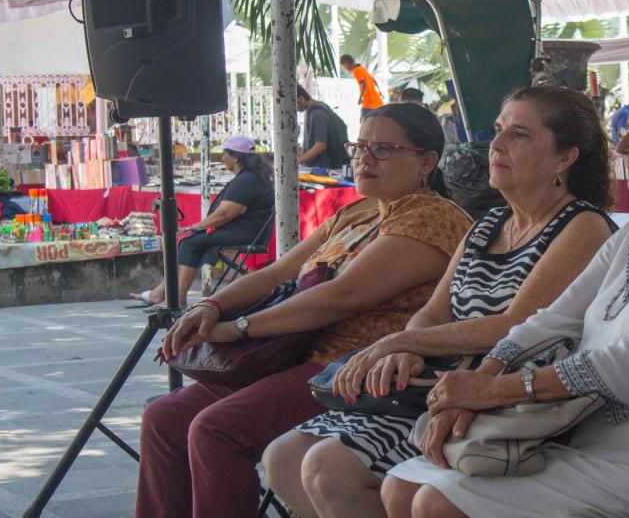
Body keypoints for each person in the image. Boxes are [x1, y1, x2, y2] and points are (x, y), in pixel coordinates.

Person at [381, 63, 629, 517]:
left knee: (437, 503)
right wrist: (480, 381)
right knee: (401, 487)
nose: (624, 143)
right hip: (588, 447)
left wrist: (493, 393)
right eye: (627, 128)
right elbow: (549, 321)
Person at [261, 86, 617, 518]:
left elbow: (517, 324)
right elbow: (433, 310)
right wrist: (409, 344)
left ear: (565, 157)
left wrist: (398, 344)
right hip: (436, 385)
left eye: (519, 135)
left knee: (327, 467)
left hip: (503, 397)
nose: (497, 145)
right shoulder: (489, 223)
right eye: (499, 130)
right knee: (281, 457)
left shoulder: (582, 226)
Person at [134, 104, 474, 518]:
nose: (365, 158)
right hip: (295, 353)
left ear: (426, 161)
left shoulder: (433, 217)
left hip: (352, 365)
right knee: (163, 417)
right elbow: (279, 271)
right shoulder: (359, 210)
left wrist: (239, 327)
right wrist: (211, 304)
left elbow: (341, 296)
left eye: (383, 149)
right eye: (359, 147)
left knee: (217, 429)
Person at [129, 136, 273, 308]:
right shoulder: (249, 178)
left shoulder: (247, 180)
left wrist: (193, 227)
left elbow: (224, 215)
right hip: (246, 230)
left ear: (235, 157)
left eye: (224, 154)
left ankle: (177, 298)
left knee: (192, 240)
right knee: (192, 239)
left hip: (247, 232)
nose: (222, 158)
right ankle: (161, 293)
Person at [296, 86, 351, 170]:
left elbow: (320, 145)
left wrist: (297, 161)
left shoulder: (316, 113)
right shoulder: (317, 108)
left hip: (324, 168)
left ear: (300, 98)